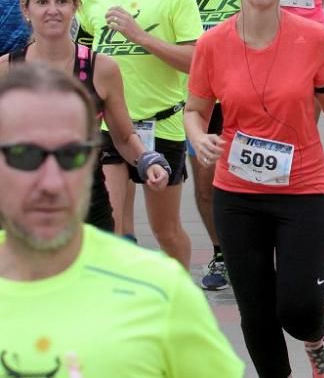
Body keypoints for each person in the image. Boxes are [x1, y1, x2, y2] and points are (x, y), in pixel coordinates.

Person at [185, 0, 324, 378]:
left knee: (298, 305)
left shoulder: (312, 37)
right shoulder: (213, 44)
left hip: (301, 188)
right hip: (237, 194)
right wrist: (199, 138)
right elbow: (194, 110)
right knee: (257, 313)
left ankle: (318, 342)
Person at [0, 63, 244, 377]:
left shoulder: (161, 290)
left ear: (92, 161)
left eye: (70, 154)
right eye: (24, 154)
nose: (50, 181)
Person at [76, 0, 202, 265]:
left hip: (163, 125)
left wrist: (141, 37)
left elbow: (195, 60)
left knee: (166, 231)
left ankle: (179, 297)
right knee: (110, 227)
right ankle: (122, 304)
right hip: (111, 128)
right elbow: (83, 61)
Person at [1, 0, 170, 233]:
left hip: (86, 203)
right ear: (26, 9)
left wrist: (148, 160)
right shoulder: (6, 69)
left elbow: (124, 137)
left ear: (74, 7)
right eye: (42, 2)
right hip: (20, 201)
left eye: (62, 1)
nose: (53, 10)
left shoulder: (101, 68)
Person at [156, 0, 242, 291]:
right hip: (197, 92)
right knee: (206, 182)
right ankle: (222, 251)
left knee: (253, 174)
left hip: (250, 88)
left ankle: (257, 250)